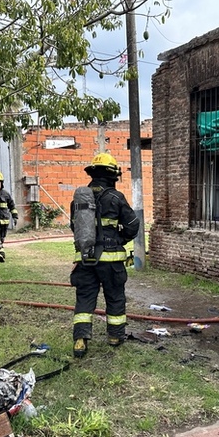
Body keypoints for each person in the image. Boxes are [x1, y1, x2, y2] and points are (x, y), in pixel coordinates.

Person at [69, 153, 140, 358]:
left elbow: (75, 227)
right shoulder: (115, 197)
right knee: (115, 295)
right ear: (112, 175)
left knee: (84, 298)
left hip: (85, 258)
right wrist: (119, 239)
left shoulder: (79, 199)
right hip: (111, 260)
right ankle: (115, 336)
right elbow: (133, 225)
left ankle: (80, 340)